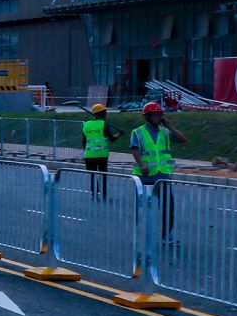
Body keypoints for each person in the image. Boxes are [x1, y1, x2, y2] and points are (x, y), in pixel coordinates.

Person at [130, 101, 190, 243]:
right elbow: (134, 148)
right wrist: (141, 164)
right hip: (145, 176)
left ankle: (166, 236)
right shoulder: (138, 132)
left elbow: (183, 140)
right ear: (147, 116)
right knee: (143, 207)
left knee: (168, 207)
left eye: (159, 115)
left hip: (162, 175)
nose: (158, 117)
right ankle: (141, 233)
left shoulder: (165, 132)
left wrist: (170, 127)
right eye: (155, 115)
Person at [81, 103, 120, 198]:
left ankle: (94, 193)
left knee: (92, 175)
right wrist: (119, 133)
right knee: (103, 174)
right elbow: (112, 139)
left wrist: (84, 153)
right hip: (102, 155)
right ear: (101, 113)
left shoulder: (86, 125)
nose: (106, 114)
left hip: (89, 155)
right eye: (105, 112)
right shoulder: (104, 124)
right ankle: (103, 194)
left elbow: (84, 142)